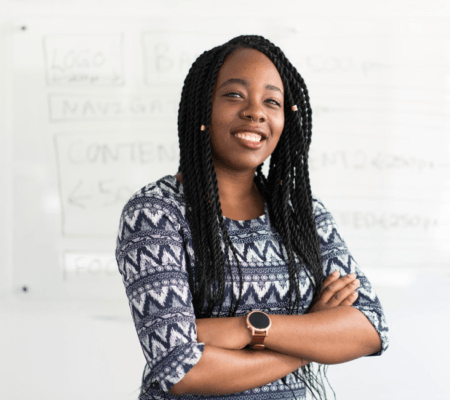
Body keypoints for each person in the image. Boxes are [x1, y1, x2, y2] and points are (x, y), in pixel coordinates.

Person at [115, 35, 389, 400]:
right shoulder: (155, 213)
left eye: (272, 101)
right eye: (234, 95)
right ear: (202, 110)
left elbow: (371, 328)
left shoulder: (302, 215)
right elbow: (180, 369)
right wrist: (311, 333)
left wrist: (251, 328)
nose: (255, 112)